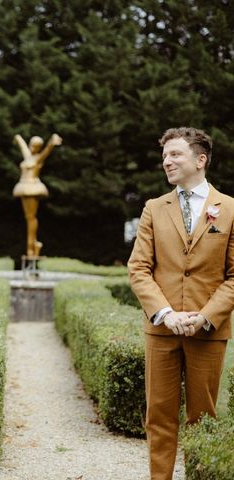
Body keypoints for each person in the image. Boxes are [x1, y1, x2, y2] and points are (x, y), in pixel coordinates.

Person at [128, 127, 234, 480]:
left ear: (200, 160)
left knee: (203, 418)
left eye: (175, 154)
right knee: (158, 415)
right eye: (164, 157)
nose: (166, 161)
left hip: (208, 332)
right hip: (162, 331)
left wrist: (205, 317)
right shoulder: (154, 209)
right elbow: (139, 268)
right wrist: (166, 313)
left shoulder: (231, 209)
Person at [12, 132, 62, 257]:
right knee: (28, 217)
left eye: (34, 146)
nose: (31, 148)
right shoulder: (28, 157)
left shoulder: (37, 159)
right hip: (24, 186)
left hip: (32, 187)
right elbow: (22, 146)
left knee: (31, 218)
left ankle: (32, 246)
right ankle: (32, 245)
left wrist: (51, 143)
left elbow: (46, 151)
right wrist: (18, 138)